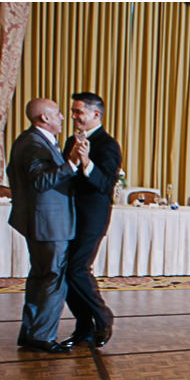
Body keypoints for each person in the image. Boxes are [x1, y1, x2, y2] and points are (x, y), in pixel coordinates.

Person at [7, 98, 81, 354]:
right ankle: (42, 336)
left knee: (39, 278)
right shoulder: (32, 143)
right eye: (58, 113)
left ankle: (30, 332)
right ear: (44, 118)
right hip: (49, 223)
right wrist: (71, 164)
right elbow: (39, 182)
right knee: (52, 278)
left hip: (44, 222)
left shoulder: (32, 140)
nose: (63, 117)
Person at [59, 92, 121, 348]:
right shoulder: (71, 141)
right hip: (67, 216)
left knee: (76, 269)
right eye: (72, 111)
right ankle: (83, 327)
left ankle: (104, 317)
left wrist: (86, 163)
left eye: (78, 112)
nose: (73, 117)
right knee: (65, 272)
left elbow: (106, 184)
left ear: (95, 114)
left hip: (92, 218)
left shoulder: (108, 145)